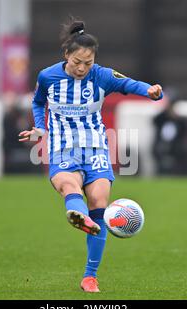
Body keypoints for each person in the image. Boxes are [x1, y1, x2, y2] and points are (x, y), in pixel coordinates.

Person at [18, 18, 163, 293]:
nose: (83, 68)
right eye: (77, 62)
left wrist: (152, 91)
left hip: (95, 149)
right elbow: (38, 102)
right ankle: (77, 214)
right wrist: (39, 128)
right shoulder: (47, 77)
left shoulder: (102, 75)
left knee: (99, 201)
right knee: (69, 185)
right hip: (62, 148)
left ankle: (89, 277)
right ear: (66, 56)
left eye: (88, 62)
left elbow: (130, 84)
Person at [152, 89, 187, 176]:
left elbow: (184, 135)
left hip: (177, 152)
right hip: (161, 150)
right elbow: (156, 122)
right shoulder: (160, 119)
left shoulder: (181, 121)